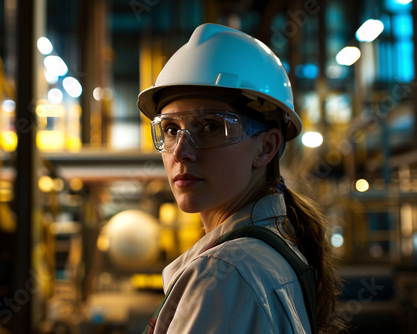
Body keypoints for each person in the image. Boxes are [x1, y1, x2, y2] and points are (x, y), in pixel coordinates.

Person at [137, 23, 346, 333]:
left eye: (209, 127)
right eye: (170, 129)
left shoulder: (224, 273)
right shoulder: (269, 253)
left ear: (266, 147)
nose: (181, 152)